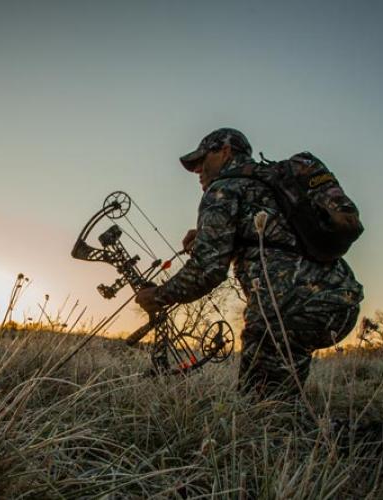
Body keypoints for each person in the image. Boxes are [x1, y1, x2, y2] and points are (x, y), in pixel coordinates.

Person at [135, 128, 363, 401]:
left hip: (284, 311)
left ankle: (364, 439)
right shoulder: (271, 181)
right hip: (342, 301)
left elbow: (207, 270)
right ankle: (323, 434)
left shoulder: (224, 188)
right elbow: (277, 237)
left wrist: (158, 296)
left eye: (201, 159)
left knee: (261, 411)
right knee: (282, 399)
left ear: (225, 152)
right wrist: (217, 236)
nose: (197, 169)